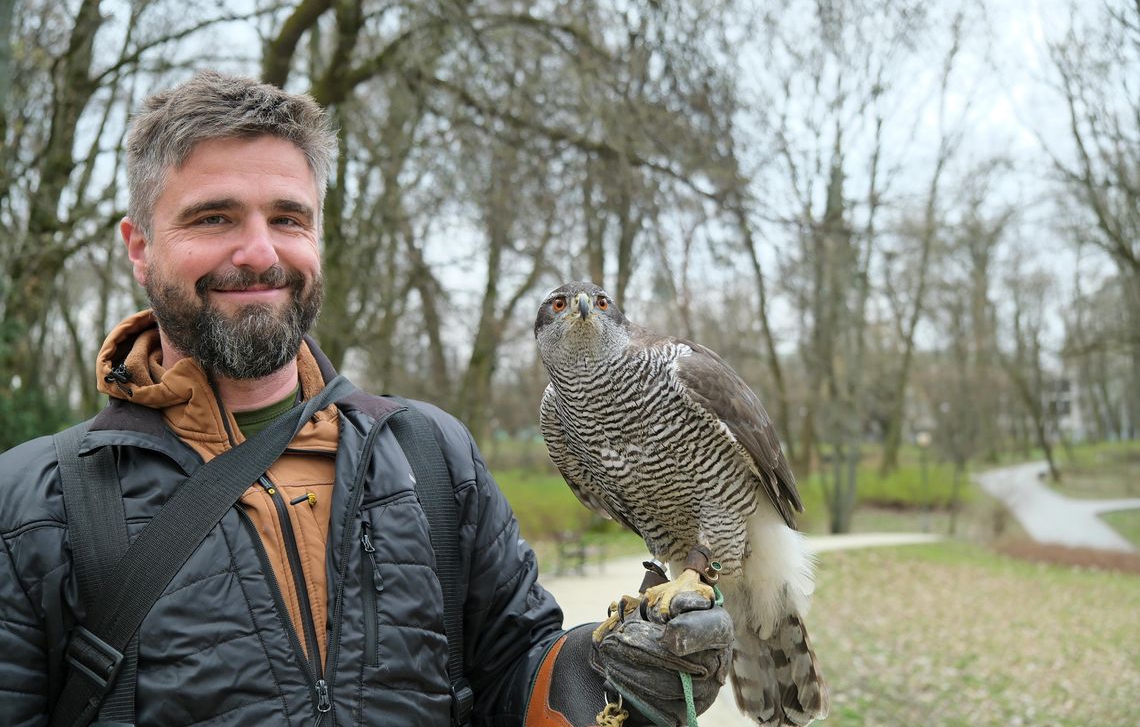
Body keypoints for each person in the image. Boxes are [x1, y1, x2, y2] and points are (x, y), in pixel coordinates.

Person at [0, 70, 731, 727]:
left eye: (288, 218)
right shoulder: (34, 505)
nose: (260, 252)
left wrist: (612, 676)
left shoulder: (431, 458)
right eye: (213, 218)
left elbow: (516, 679)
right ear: (139, 247)